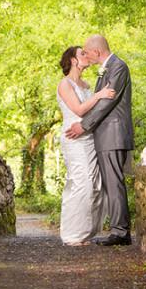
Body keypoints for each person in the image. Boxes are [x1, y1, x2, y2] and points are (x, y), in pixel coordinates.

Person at [65, 35, 134, 246]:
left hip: (113, 135)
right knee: (110, 184)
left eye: (87, 51)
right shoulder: (108, 68)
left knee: (114, 184)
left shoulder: (118, 67)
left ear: (96, 52)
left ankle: (120, 233)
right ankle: (118, 229)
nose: (86, 55)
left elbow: (106, 102)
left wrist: (83, 126)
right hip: (106, 135)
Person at [56, 46, 115, 246]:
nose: (86, 55)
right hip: (74, 139)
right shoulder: (65, 84)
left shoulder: (86, 84)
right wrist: (100, 95)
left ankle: (85, 233)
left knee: (96, 186)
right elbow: (80, 110)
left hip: (89, 137)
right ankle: (71, 235)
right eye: (82, 53)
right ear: (73, 60)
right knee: (81, 183)